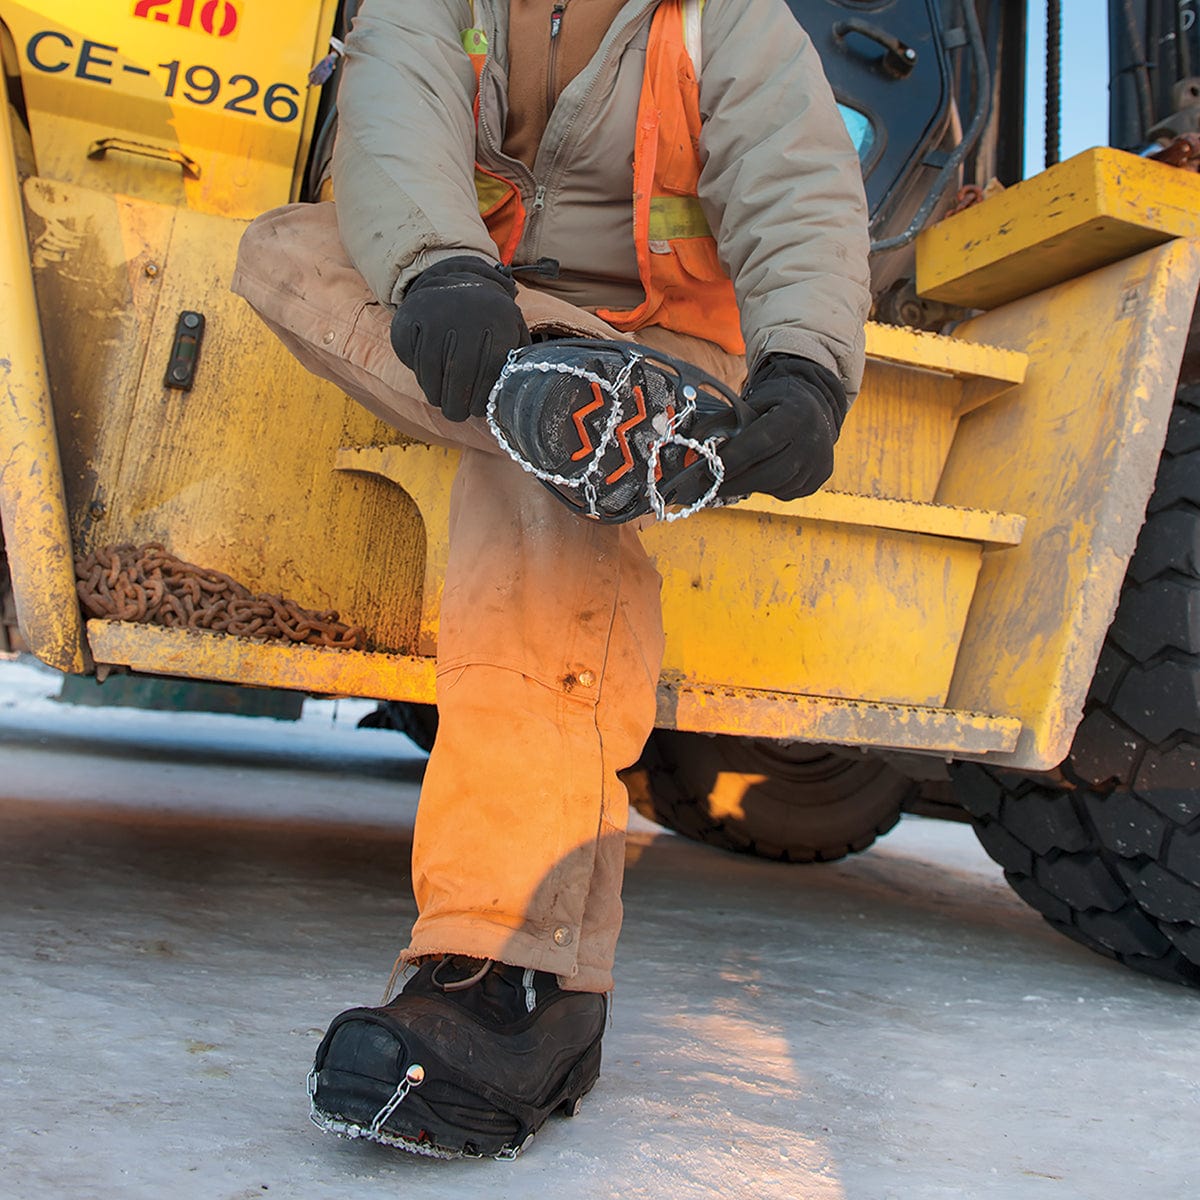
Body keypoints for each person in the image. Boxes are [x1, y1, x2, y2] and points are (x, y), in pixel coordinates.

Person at [232, 0, 869, 1161]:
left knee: (535, 496)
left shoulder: (728, 20)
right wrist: (438, 269)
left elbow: (797, 182)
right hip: (479, 312)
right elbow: (392, 113)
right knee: (282, 245)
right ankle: (571, 415)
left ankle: (511, 970)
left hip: (669, 352)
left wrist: (808, 365)